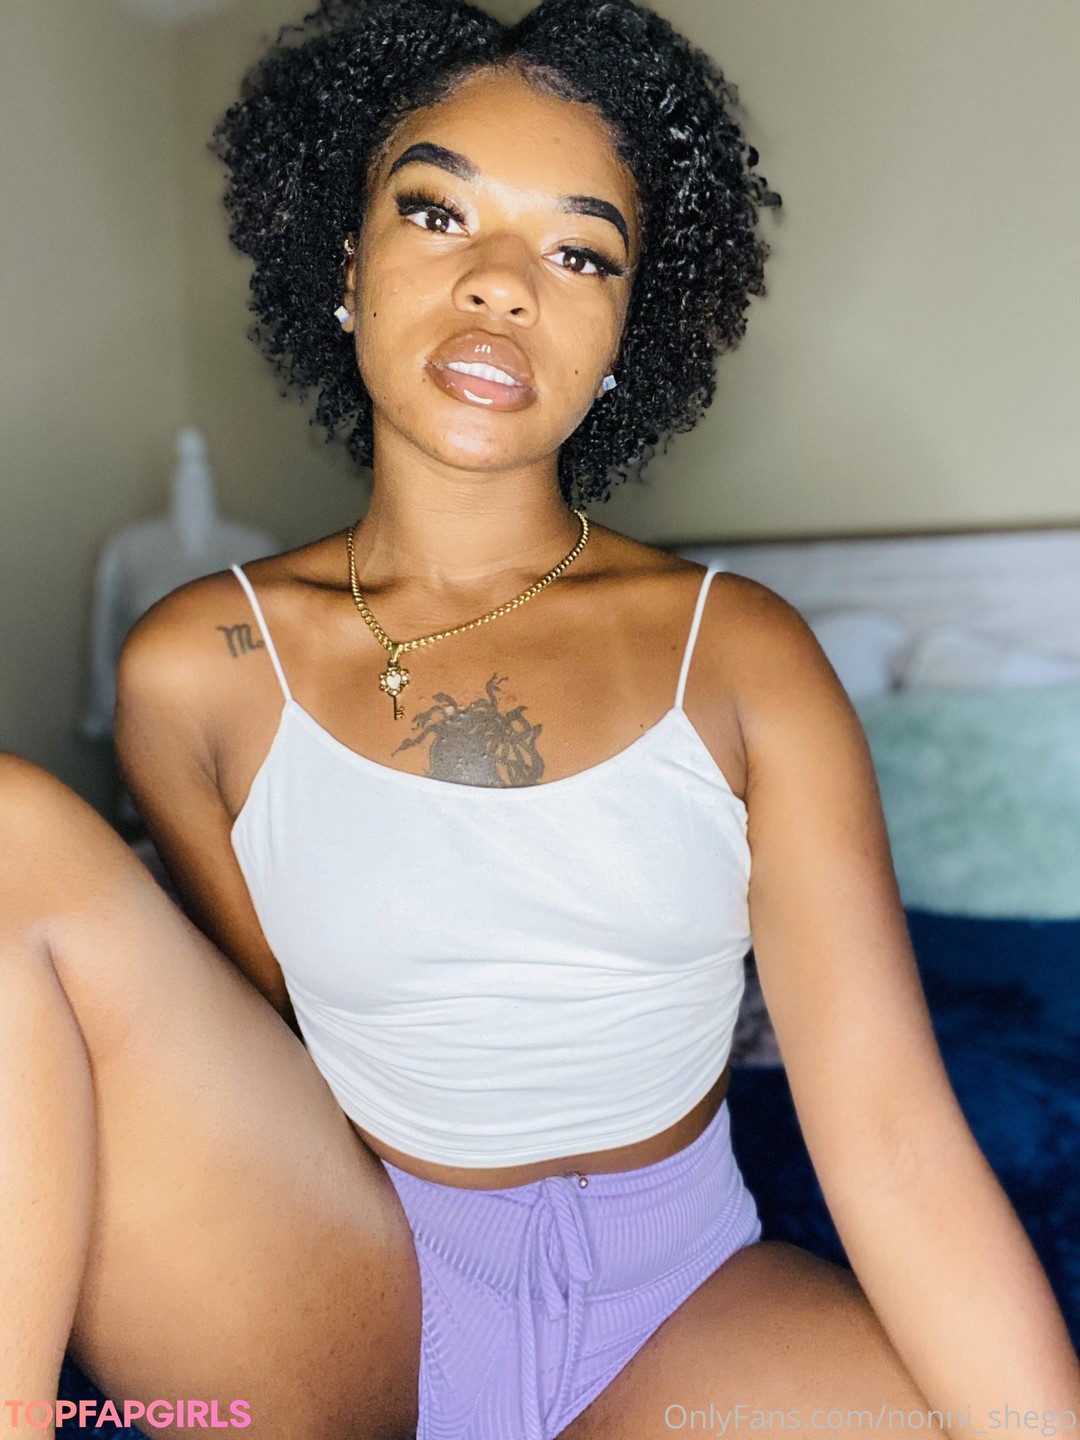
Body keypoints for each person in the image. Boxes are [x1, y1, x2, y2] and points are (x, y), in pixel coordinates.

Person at [3, 1, 1076, 1437]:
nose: (502, 284)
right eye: (436, 212)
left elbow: (893, 1144)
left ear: (627, 326)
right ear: (346, 258)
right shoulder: (192, 670)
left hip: (683, 1305)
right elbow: (270, 1055)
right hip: (349, 1285)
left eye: (579, 252)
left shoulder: (742, 656)